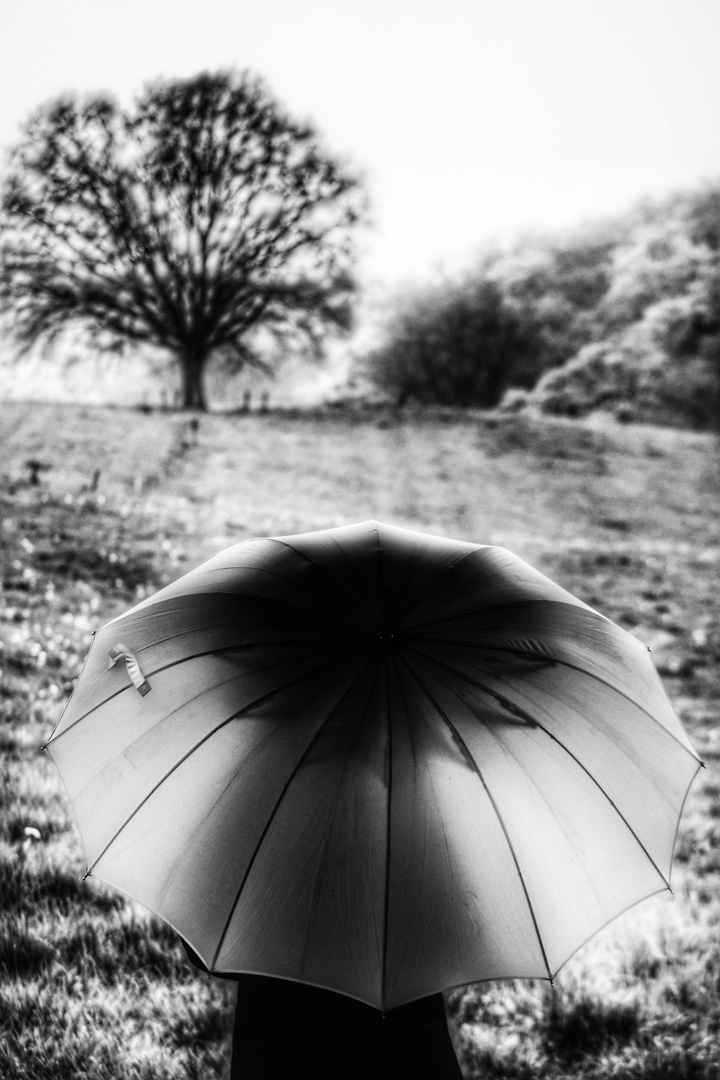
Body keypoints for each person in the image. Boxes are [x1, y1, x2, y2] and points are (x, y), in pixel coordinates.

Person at [182, 941, 463, 1079]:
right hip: (407, 1041)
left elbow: (209, 946)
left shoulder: (263, 832)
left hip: (283, 1046)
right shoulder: (424, 835)